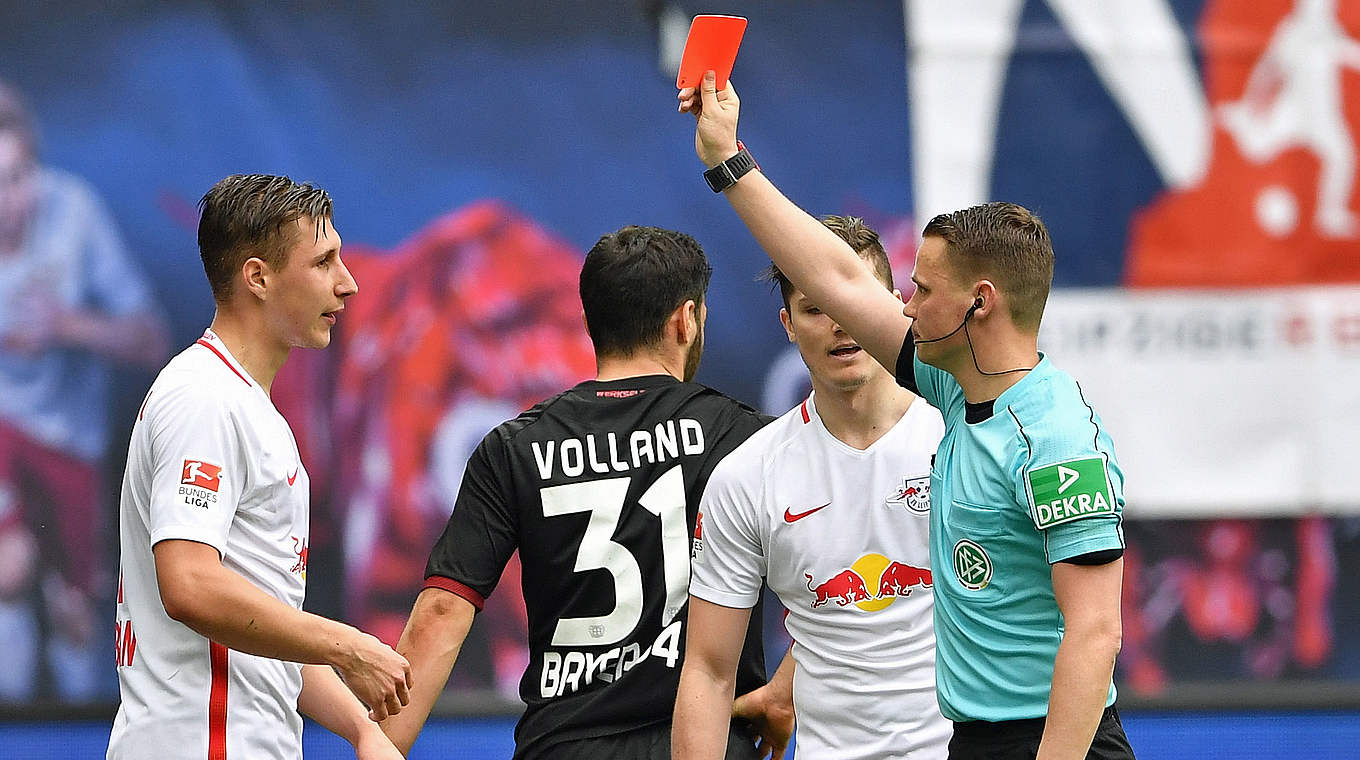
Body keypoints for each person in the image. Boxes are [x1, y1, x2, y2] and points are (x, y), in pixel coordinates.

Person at [679, 74, 1135, 759]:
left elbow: (1097, 634)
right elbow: (831, 276)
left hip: (1052, 743)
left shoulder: (1055, 438)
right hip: (975, 743)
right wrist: (726, 159)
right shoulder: (953, 388)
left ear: (979, 303)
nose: (904, 308)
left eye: (919, 290)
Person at [380, 225, 790, 760]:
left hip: (563, 746)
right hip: (706, 742)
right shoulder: (743, 436)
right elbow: (834, 571)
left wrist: (378, 744)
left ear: (591, 321)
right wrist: (786, 688)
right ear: (686, 320)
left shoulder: (514, 447)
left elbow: (441, 612)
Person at [107, 175, 411, 760]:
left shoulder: (249, 409)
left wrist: (361, 729)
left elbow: (264, 627)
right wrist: (347, 646)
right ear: (258, 277)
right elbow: (190, 586)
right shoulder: (204, 398)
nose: (348, 284)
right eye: (324, 262)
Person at [675, 215, 950, 760]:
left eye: (853, 301)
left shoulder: (962, 436)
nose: (840, 324)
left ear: (896, 304)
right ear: (788, 324)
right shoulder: (746, 475)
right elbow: (707, 671)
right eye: (815, 308)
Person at [0, 80, 169, 701]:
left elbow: (152, 339)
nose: (7, 202)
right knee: (9, 570)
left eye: (18, 178)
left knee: (77, 614)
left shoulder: (74, 214)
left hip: (72, 438)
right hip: (2, 432)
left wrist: (67, 325)